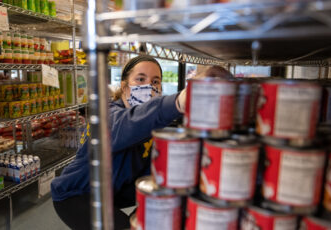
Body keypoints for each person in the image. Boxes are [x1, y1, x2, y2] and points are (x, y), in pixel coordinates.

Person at [51, 57, 231, 229]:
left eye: (155, 81)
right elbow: (131, 124)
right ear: (124, 87)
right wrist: (179, 101)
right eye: (140, 79)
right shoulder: (108, 116)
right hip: (75, 195)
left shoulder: (149, 124)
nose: (148, 86)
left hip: (113, 191)